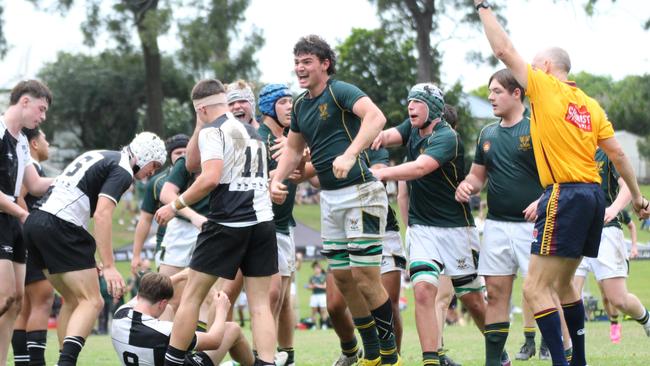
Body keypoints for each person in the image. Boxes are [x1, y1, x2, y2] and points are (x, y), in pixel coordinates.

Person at [474, 2, 650, 365]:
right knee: (565, 285)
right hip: (592, 196)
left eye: (534, 68)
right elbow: (617, 154)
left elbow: (503, 49)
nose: (528, 74)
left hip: (564, 193)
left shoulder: (545, 88)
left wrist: (482, 7)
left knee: (534, 289)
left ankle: (561, 361)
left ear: (547, 69)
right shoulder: (589, 105)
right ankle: (578, 361)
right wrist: (636, 195)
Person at [270, 34, 400, 366]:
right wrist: (276, 179)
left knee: (365, 277)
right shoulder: (300, 104)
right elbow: (294, 149)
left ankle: (390, 357)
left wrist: (351, 153)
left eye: (307, 61)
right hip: (330, 199)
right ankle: (370, 353)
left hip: (361, 193)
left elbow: (376, 117)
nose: (300, 68)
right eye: (297, 62)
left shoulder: (340, 90)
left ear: (325, 64)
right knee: (343, 278)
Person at [155, 78, 277, 366]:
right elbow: (191, 164)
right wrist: (201, 122)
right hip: (263, 223)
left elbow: (207, 177)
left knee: (192, 297)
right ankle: (268, 362)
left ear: (200, 109)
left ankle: (172, 361)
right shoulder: (253, 132)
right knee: (260, 304)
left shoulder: (214, 131)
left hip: (228, 223)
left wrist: (175, 205)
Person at [22, 131, 166, 365]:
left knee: (73, 300)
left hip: (36, 222)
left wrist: (90, 256)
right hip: (61, 225)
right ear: (144, 155)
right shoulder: (123, 169)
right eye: (154, 165)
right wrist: (109, 266)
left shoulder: (101, 155)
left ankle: (63, 360)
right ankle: (66, 362)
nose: (152, 172)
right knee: (93, 301)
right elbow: (102, 214)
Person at [371, 83, 487, 366]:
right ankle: (430, 360)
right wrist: (364, 141)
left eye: (418, 102)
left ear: (433, 107)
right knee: (423, 290)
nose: (411, 107)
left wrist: (384, 173)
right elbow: (387, 135)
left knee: (471, 299)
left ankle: (499, 350)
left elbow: (421, 167)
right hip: (422, 229)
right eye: (409, 101)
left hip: (456, 229)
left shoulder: (447, 137)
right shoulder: (413, 128)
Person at [455, 69, 542, 366]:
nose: (490, 97)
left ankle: (564, 353)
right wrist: (468, 186)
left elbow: (558, 176)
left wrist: (543, 201)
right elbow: (477, 176)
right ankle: (494, 362)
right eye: (489, 91)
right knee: (494, 293)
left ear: (516, 93)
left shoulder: (537, 128)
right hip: (495, 225)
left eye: (496, 91)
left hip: (532, 226)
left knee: (542, 293)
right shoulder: (487, 134)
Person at [327, 146, 406, 366]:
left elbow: (379, 173)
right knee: (334, 305)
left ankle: (392, 357)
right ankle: (352, 351)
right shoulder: (329, 138)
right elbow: (318, 179)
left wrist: (346, 165)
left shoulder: (373, 141)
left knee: (387, 303)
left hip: (378, 226)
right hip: (342, 225)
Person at [0, 80, 54, 365]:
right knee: (4, 295)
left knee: (16, 301)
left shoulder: (21, 141)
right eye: (41, 109)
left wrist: (71, 179)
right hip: (5, 216)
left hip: (12, 224)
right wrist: (22, 214)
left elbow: (34, 185)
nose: (42, 117)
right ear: (24, 102)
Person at [574, 150, 650, 344]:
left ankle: (647, 320)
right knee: (570, 298)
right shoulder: (570, 149)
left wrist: (614, 209)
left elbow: (627, 186)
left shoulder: (607, 152)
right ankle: (568, 352)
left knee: (618, 300)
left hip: (605, 232)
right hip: (575, 232)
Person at [112, 272, 254, 366]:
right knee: (232, 329)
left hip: (150, 357)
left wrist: (181, 276)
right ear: (161, 302)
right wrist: (221, 310)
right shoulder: (165, 332)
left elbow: (149, 293)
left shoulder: (120, 315)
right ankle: (255, 364)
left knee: (168, 311)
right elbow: (215, 341)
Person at [257, 83, 299, 366]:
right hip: (263, 225)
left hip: (285, 226)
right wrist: (273, 177)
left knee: (283, 298)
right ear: (269, 107)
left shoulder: (289, 139)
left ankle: (286, 356)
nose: (290, 107)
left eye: (291, 102)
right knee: (271, 296)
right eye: (284, 102)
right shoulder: (259, 140)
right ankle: (265, 357)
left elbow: (304, 173)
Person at [11, 127, 54, 366]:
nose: (48, 143)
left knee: (26, 306)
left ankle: (23, 362)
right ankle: (36, 362)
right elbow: (18, 196)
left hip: (21, 240)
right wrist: (30, 228)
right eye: (45, 138)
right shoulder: (33, 170)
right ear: (34, 144)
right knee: (43, 299)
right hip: (30, 241)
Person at [131, 134, 189, 274]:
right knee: (169, 290)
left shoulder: (202, 178)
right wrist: (136, 255)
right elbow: (145, 220)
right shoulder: (157, 182)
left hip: (199, 240)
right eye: (178, 153)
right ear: (170, 156)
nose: (182, 156)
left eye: (185, 152)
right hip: (167, 243)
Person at [308, 261, 328, 329]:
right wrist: (311, 286)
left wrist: (317, 285)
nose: (316, 270)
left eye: (318, 268)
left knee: (323, 310)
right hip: (314, 295)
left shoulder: (324, 276)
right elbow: (309, 286)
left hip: (322, 295)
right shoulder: (312, 277)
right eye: (315, 268)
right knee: (314, 311)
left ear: (320, 269)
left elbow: (325, 286)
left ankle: (324, 324)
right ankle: (313, 325)